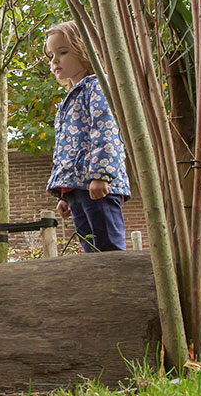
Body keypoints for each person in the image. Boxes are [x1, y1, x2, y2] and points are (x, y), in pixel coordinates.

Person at [44, 20, 130, 252]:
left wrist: (101, 175)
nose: (55, 61)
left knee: (109, 248)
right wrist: (64, 193)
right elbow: (67, 148)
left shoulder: (97, 87)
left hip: (98, 186)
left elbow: (106, 130)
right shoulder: (69, 98)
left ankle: (119, 287)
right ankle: (102, 288)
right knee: (91, 249)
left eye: (62, 52)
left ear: (85, 50)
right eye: (51, 55)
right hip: (78, 189)